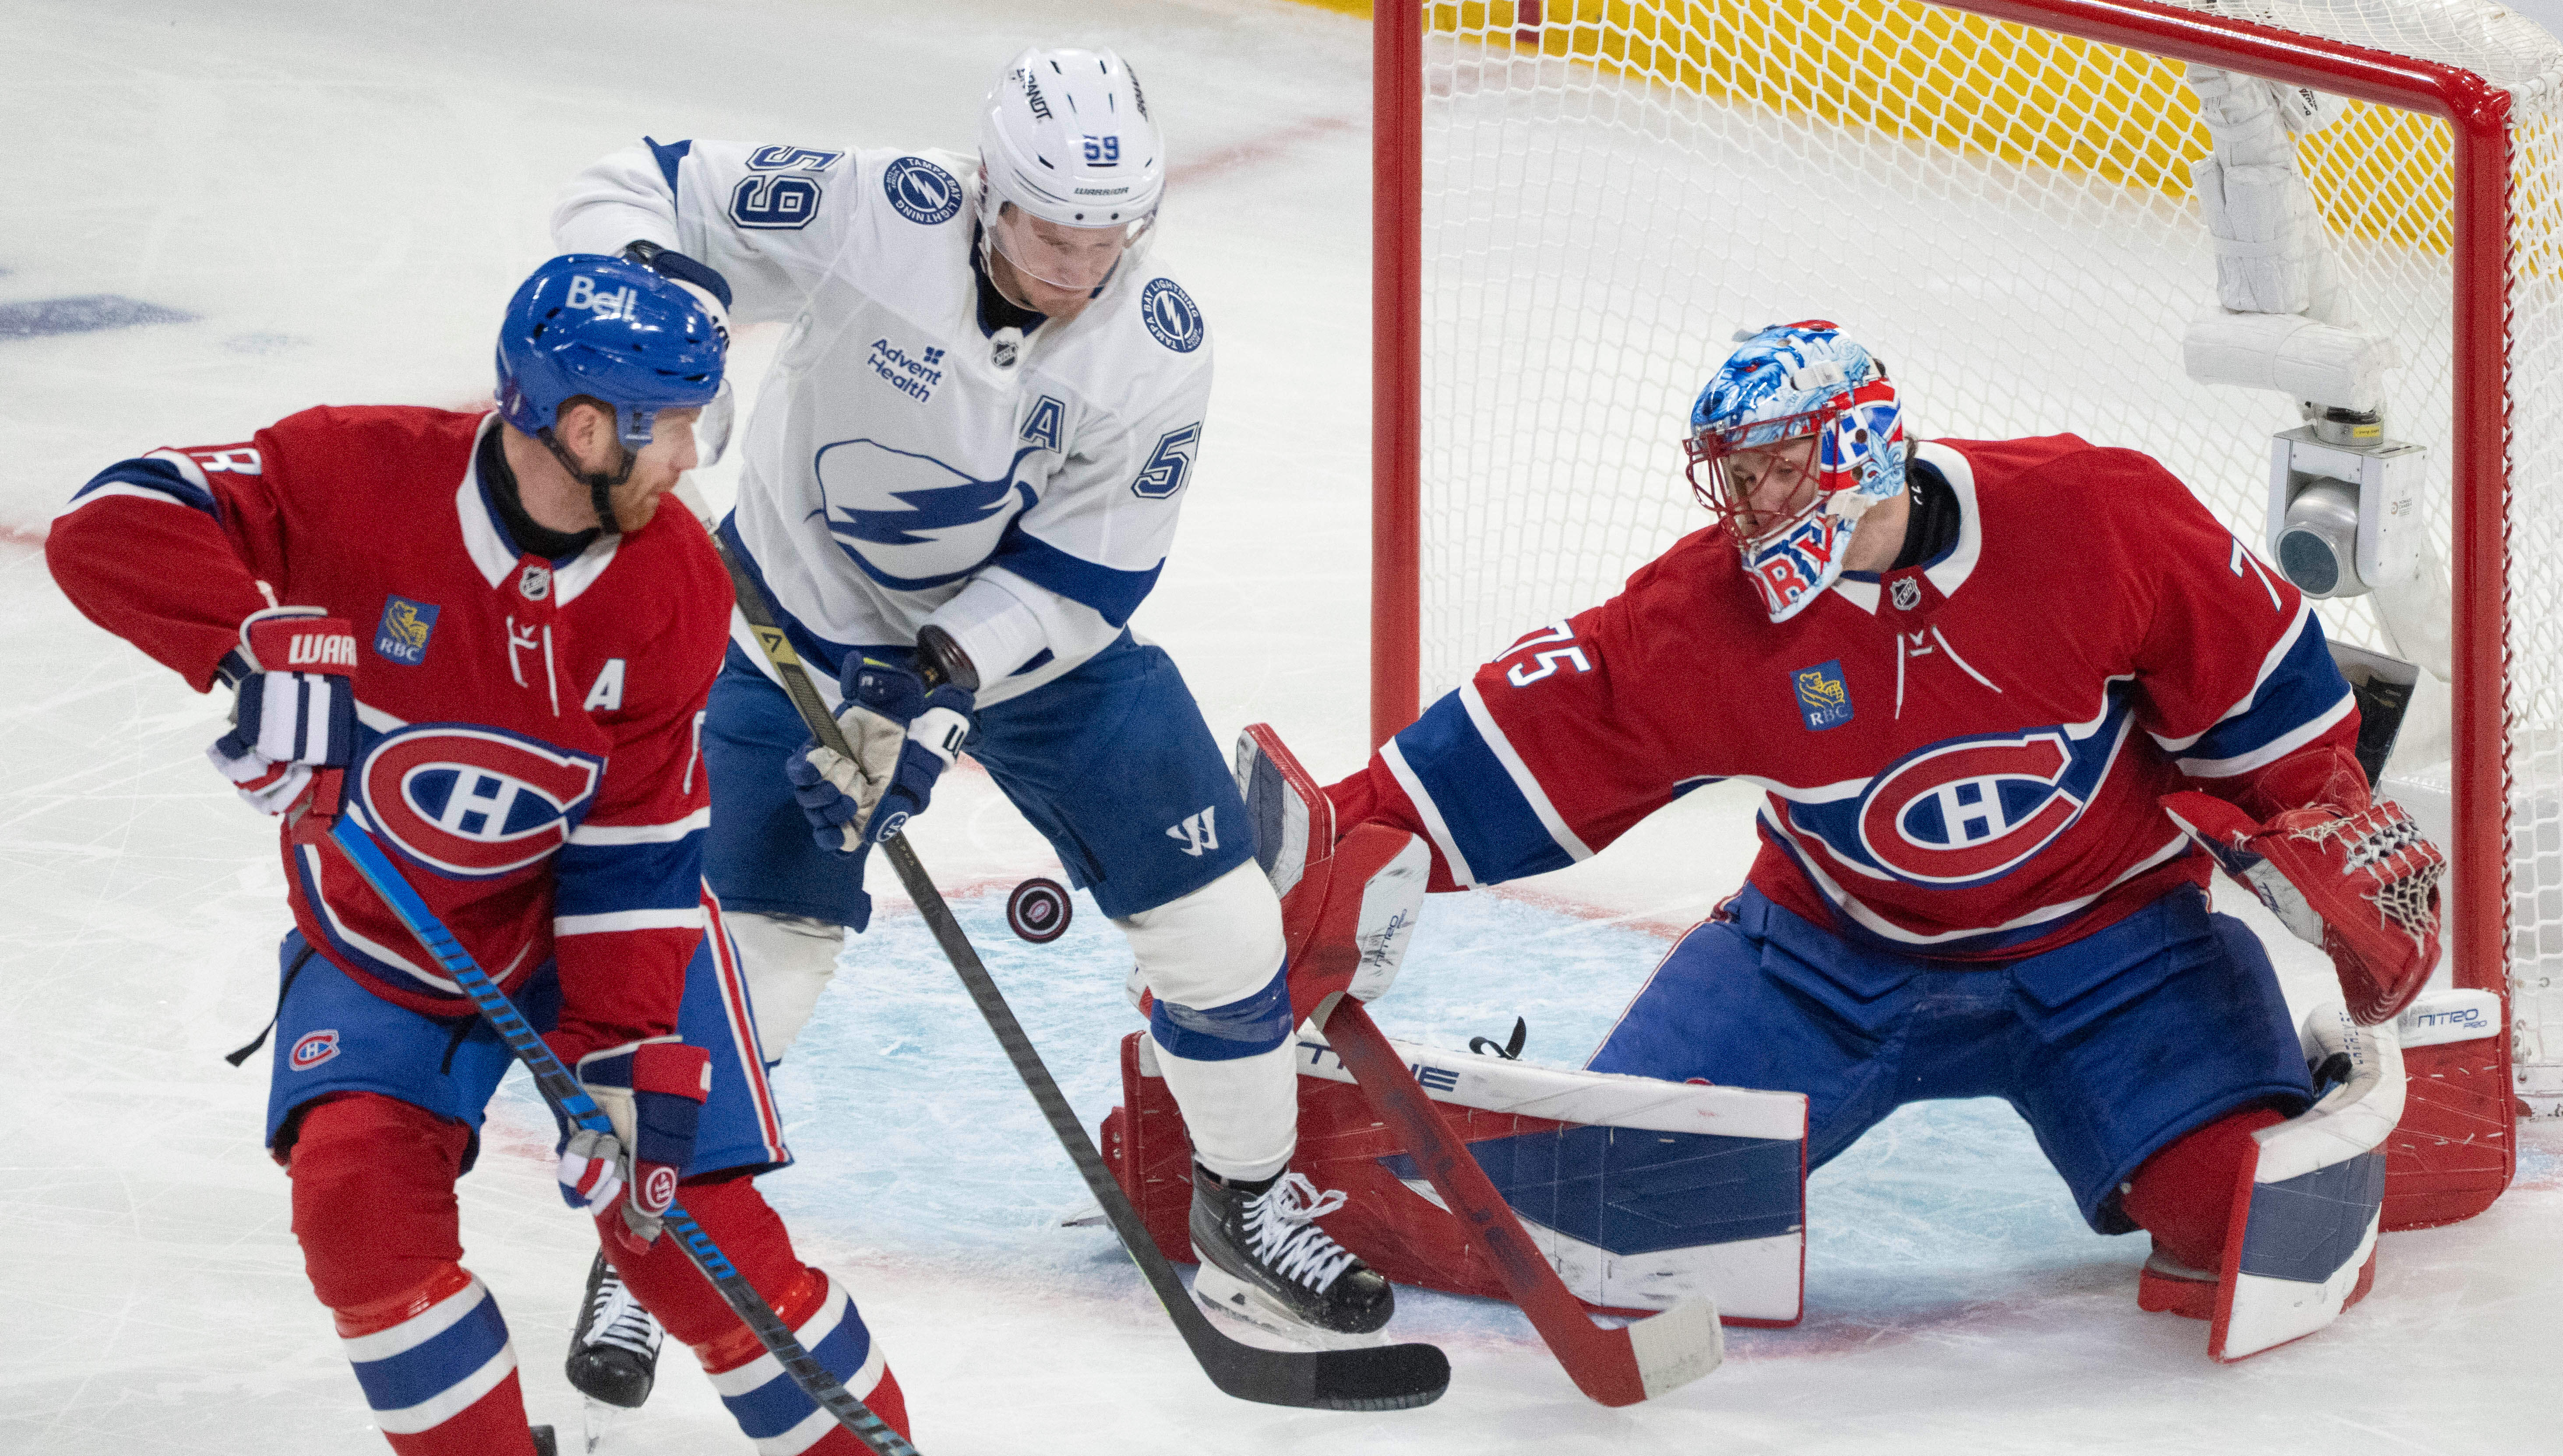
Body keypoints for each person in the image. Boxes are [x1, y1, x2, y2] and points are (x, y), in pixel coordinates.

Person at [1290, 320, 2446, 1346]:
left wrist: (2314, 818)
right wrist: (1352, 832)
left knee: (2239, 1223)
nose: (1747, 509)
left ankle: (2308, 1072)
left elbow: (2260, 688)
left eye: (1778, 470)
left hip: (2118, 952)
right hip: (1824, 960)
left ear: (1864, 451)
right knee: (1619, 1218)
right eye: (1735, 479)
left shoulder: (2094, 513)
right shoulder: (1711, 613)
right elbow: (1552, 724)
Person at [543, 43, 1391, 1373]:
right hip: (797, 632)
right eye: (1055, 233)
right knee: (746, 970)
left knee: (1223, 923)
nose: (1080, 268)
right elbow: (635, 184)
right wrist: (654, 306)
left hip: (1027, 652)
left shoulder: (1157, 345)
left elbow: (1090, 569)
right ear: (990, 191)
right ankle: (651, 1247)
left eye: (1110, 237)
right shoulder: (874, 210)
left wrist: (938, 687)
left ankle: (1243, 1200)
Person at [45, 254, 910, 1455]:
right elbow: (107, 520)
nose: (693, 459)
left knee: (694, 1249)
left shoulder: (671, 586)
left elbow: (637, 843)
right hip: (387, 935)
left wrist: (622, 1053)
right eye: (673, 429)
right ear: (586, 425)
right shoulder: (357, 469)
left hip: (595, 947)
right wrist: (248, 653)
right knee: (357, 1205)